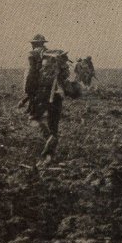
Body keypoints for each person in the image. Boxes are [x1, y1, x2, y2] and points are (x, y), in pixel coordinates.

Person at [23, 35, 76, 168]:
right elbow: (65, 76)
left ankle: (47, 144)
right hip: (57, 95)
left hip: (41, 95)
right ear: (44, 43)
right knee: (54, 127)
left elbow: (30, 75)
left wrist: (28, 93)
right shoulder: (55, 56)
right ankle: (49, 153)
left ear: (34, 44)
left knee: (34, 118)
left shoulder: (33, 55)